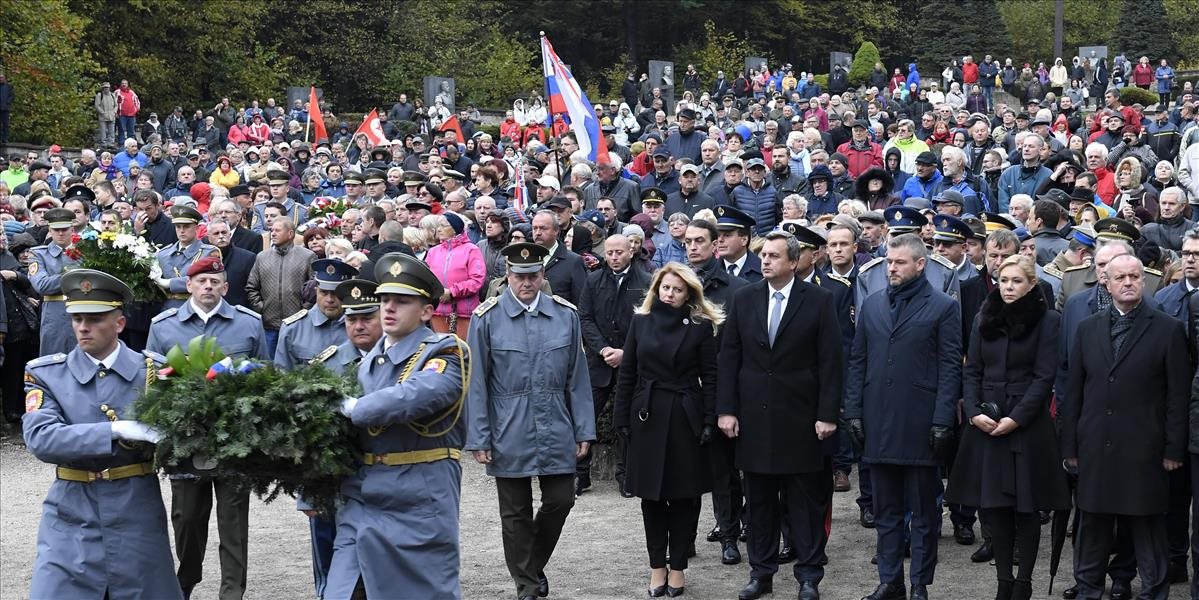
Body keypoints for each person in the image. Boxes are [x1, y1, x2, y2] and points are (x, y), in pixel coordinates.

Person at [22, 268, 182, 600]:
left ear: (119, 323)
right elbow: (42, 439)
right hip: (71, 511)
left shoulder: (154, 371)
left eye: (94, 318)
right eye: (77, 318)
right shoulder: (47, 374)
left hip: (135, 507)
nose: (83, 327)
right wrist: (114, 429)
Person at [325, 253, 470, 599]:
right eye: (385, 300)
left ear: (425, 311)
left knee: (420, 591)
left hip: (418, 493)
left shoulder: (446, 350)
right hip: (363, 493)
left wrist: (356, 407)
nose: (388, 308)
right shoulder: (370, 360)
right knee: (342, 591)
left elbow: (418, 394)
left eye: (401, 302)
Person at [718, 229, 844, 600]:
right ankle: (762, 573)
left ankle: (808, 575)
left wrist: (827, 414)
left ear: (793, 261)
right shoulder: (744, 298)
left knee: (804, 504)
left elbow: (831, 362)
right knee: (758, 504)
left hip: (803, 420)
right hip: (755, 420)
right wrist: (726, 410)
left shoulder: (819, 300)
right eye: (763, 255)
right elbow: (730, 358)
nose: (766, 261)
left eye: (774, 256)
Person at [465, 242, 594, 600]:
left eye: (533, 275)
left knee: (561, 499)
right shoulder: (486, 318)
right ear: (507, 276)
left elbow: (577, 378)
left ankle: (530, 565)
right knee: (515, 512)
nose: (526, 283)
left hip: (556, 420)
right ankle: (527, 586)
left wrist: (584, 428)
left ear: (542, 275)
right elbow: (476, 382)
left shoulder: (564, 315)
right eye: (519, 276)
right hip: (509, 423)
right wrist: (479, 436)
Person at [1062, 253, 1189, 600]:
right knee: (1092, 527)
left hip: (1145, 449)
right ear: (1106, 281)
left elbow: (1178, 397)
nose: (1129, 282)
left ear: (1144, 281)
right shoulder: (1088, 329)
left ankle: (1153, 591)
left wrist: (1173, 450)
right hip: (1095, 447)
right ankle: (1089, 589)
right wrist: (1070, 448)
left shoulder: (1168, 329)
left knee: (1148, 527)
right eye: (1121, 277)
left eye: (1135, 276)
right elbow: (1074, 392)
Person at [845, 233, 963, 600]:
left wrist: (943, 419)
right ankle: (889, 579)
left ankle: (919, 585)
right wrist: (853, 412)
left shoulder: (943, 306)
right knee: (886, 510)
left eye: (898, 263)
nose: (890, 268)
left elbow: (949, 368)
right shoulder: (874, 304)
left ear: (919, 264)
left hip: (921, 423)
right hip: (878, 420)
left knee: (925, 514)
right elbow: (858, 361)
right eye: (888, 262)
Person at [945, 255, 1069, 600]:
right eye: (1003, 280)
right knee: (993, 506)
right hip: (985, 421)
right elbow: (971, 371)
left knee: (1026, 508)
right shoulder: (985, 316)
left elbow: (1045, 378)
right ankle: (1003, 581)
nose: (1008, 287)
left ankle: (1024, 582)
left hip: (1026, 425)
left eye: (1016, 281)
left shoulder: (1048, 321)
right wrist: (972, 411)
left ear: (1031, 285)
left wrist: (1016, 419)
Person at [145, 256, 268, 600]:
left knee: (233, 522)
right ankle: (185, 581)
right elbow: (152, 383)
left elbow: (265, 372)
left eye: (215, 281)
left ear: (226, 287)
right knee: (186, 520)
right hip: (186, 439)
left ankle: (232, 592)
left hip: (234, 437)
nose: (209, 287)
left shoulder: (248, 324)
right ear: (189, 285)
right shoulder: (164, 325)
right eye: (202, 281)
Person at [616, 261, 723, 597]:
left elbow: (712, 377)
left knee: (684, 497)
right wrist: (620, 419)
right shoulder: (641, 321)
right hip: (647, 414)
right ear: (656, 289)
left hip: (684, 416)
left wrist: (709, 420)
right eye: (666, 288)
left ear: (689, 292)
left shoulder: (700, 326)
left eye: (678, 289)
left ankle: (677, 568)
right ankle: (656, 568)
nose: (670, 294)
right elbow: (628, 373)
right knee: (651, 497)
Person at [577, 234, 651, 497]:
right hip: (599, 361)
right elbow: (585, 317)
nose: (614, 257)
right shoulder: (594, 279)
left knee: (626, 420)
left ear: (631, 251)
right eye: (609, 253)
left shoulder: (646, 281)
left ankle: (625, 475)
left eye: (619, 252)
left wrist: (625, 352)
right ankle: (580, 474)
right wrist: (603, 348)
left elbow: (647, 322)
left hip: (630, 363)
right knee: (585, 417)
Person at [274, 257, 355, 369]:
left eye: (335, 293)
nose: (329, 299)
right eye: (323, 292)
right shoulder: (294, 329)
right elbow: (282, 377)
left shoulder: (360, 327)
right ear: (316, 291)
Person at [28, 207, 79, 356]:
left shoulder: (86, 252)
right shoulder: (38, 253)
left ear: (72, 228)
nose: (61, 233)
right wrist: (75, 275)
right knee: (53, 365)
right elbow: (42, 285)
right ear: (50, 230)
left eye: (64, 229)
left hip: (82, 313)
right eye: (56, 230)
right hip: (54, 316)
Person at [426, 212, 485, 337]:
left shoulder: (471, 250)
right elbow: (426, 278)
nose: (439, 229)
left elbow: (476, 280)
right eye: (438, 226)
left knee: (463, 351)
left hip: (464, 314)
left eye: (443, 225)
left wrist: (452, 292)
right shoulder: (433, 252)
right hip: (437, 312)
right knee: (442, 352)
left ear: (455, 229)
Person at [154, 205, 221, 310]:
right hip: (168, 310)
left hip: (198, 308)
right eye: (178, 226)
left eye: (186, 226)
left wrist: (169, 283)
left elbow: (205, 280)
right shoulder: (163, 254)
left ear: (197, 228)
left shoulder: (209, 252)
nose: (181, 230)